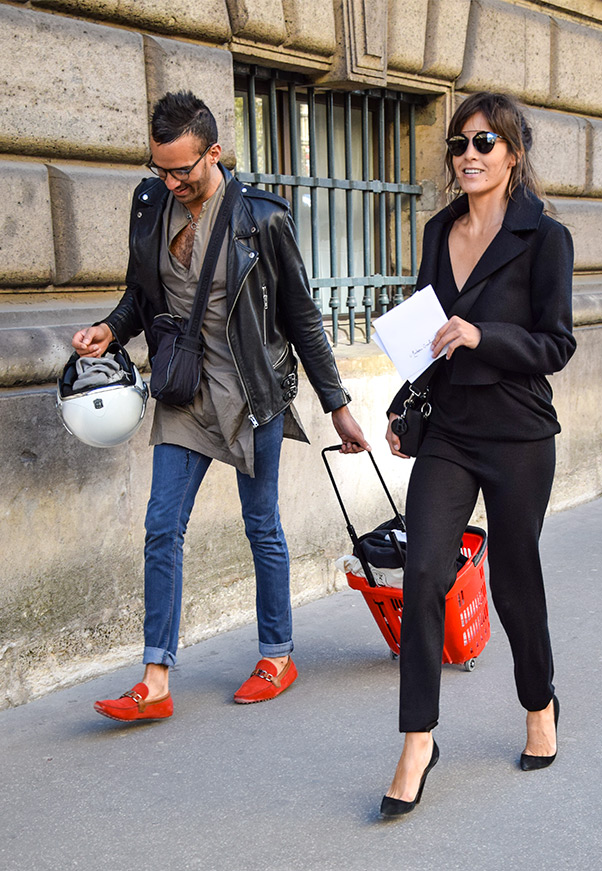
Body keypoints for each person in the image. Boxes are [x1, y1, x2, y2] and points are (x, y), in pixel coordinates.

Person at [72, 91, 369, 722]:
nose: (171, 181)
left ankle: (278, 654)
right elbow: (140, 290)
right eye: (160, 168)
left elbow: (301, 316)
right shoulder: (151, 203)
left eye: (183, 169)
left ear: (214, 152)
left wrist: (336, 405)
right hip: (183, 393)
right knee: (162, 525)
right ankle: (154, 679)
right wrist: (110, 327)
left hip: (251, 393)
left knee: (261, 525)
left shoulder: (261, 218)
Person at [379, 92, 576, 817]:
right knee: (426, 568)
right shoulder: (439, 231)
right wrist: (405, 409)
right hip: (453, 430)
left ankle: (538, 703)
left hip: (520, 434)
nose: (469, 153)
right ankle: (418, 739)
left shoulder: (544, 238)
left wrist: (482, 336)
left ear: (513, 153)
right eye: (460, 142)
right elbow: (427, 333)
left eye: (485, 141)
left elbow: (557, 343)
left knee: (515, 582)